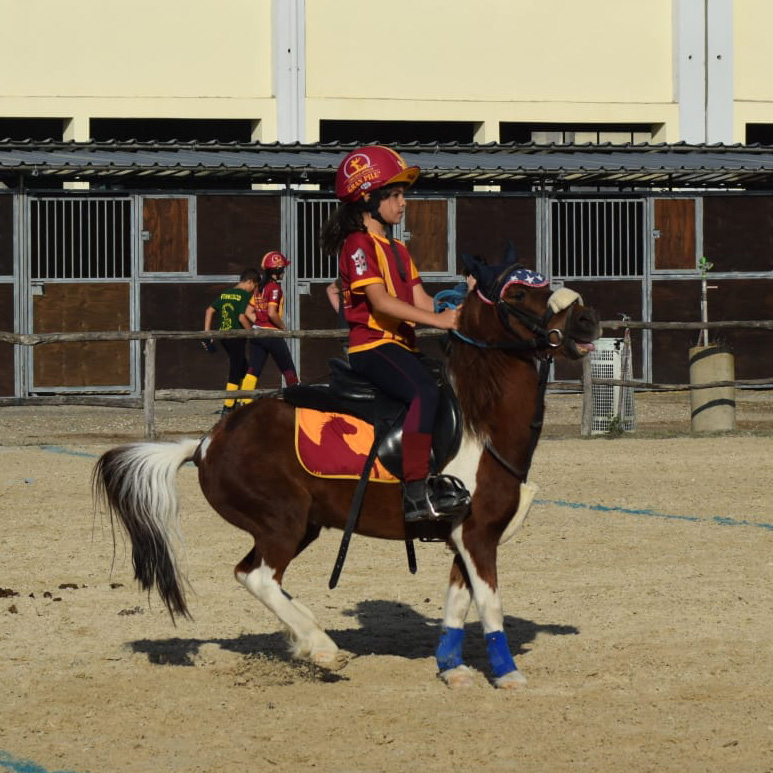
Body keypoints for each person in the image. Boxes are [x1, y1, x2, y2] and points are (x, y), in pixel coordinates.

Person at [320, 145, 469, 523]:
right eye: (396, 195)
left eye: (403, 195)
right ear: (367, 198)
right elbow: (381, 303)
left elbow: (421, 300)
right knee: (423, 389)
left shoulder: (400, 249)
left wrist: (460, 310)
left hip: (400, 346)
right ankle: (415, 493)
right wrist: (441, 323)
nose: (403, 203)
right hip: (372, 346)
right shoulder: (357, 245)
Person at [240, 251, 299, 403]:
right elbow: (272, 313)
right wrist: (284, 328)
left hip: (257, 333)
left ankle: (244, 404)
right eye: (283, 269)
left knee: (253, 371)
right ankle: (297, 402)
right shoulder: (274, 289)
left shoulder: (259, 288)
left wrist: (259, 321)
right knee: (288, 369)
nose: (284, 272)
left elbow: (248, 311)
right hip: (272, 335)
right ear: (277, 270)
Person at [203, 267, 258, 419]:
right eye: (254, 286)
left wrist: (207, 333)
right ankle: (228, 406)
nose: (253, 290)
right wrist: (252, 333)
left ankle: (243, 400)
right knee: (236, 368)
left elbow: (209, 310)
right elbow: (241, 317)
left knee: (244, 367)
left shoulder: (225, 293)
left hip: (224, 336)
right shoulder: (244, 295)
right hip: (236, 336)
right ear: (249, 282)